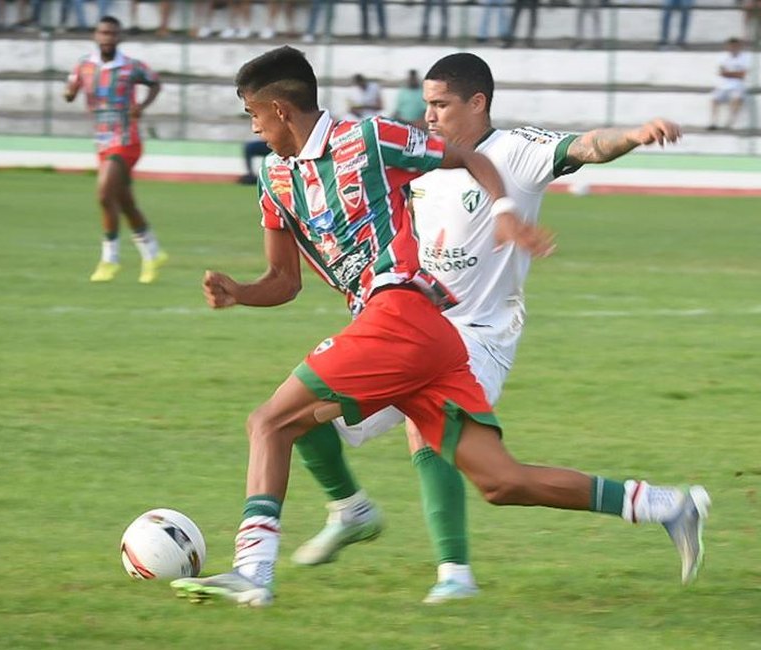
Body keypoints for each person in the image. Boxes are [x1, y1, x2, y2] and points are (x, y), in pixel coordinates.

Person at [168, 45, 710, 608]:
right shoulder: (275, 177)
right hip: (431, 332)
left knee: (270, 423)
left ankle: (256, 570)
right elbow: (285, 280)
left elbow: (504, 155)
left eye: (253, 114)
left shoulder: (369, 139)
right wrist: (241, 293)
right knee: (501, 482)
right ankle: (666, 504)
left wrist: (509, 212)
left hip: (405, 316)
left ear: (279, 109)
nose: (252, 126)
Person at [64, 16, 168, 284]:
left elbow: (155, 82)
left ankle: (109, 259)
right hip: (101, 140)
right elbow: (71, 87)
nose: (107, 37)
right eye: (102, 33)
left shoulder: (131, 66)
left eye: (112, 33)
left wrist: (142, 107)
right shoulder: (85, 65)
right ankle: (153, 253)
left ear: (118, 37)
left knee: (103, 194)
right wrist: (69, 92)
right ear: (96, 36)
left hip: (126, 139)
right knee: (124, 202)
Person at [709, 37, 750, 130]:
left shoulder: (745, 57)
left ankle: (730, 122)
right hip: (724, 85)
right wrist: (734, 74)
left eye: (735, 46)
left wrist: (728, 73)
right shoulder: (723, 57)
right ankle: (713, 122)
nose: (733, 48)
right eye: (731, 46)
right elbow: (721, 72)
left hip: (738, 85)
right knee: (714, 98)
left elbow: (742, 75)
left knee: (737, 98)